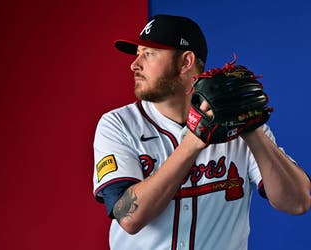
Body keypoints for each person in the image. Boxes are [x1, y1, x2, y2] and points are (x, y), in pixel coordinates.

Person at [93, 14, 311, 250]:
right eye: (138, 54)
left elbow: (297, 203)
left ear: (186, 61)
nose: (135, 64)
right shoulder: (118, 124)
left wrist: (252, 130)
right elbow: (129, 218)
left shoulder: (235, 124)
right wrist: (194, 140)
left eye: (149, 54)